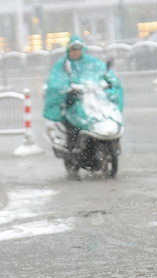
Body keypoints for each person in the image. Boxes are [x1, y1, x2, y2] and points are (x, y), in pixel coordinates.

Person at [43, 35, 123, 179]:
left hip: (94, 102)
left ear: (82, 50)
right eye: (73, 50)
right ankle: (72, 151)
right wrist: (68, 89)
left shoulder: (92, 63)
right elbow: (56, 83)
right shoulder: (62, 66)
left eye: (78, 49)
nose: (76, 52)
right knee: (73, 126)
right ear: (69, 50)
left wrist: (109, 85)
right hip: (73, 103)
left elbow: (106, 75)